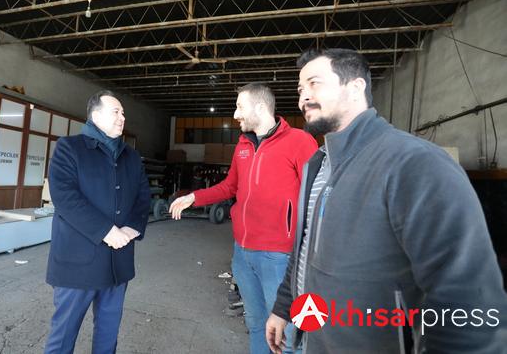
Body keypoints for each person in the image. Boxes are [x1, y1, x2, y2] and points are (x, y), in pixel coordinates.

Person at [266, 48, 507, 353]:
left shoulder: (413, 162)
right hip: (315, 340)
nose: (304, 98)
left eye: (314, 84)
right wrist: (283, 307)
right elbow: (304, 249)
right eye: (301, 89)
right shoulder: (317, 165)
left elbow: (468, 302)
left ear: (356, 87)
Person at [170, 82, 318, 354]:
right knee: (255, 322)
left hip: (280, 257)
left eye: (240, 107)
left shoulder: (300, 141)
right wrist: (194, 197)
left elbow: (316, 197)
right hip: (242, 253)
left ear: (260, 107)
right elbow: (230, 186)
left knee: (287, 332)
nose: (235, 114)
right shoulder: (243, 145)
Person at [44, 90, 151, 354]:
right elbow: (65, 197)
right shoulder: (69, 148)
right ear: (95, 115)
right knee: (62, 338)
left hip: (117, 264)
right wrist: (106, 231)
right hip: (77, 264)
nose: (122, 117)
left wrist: (132, 227)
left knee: (107, 337)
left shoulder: (131, 157)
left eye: (123, 113)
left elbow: (143, 197)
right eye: (116, 111)